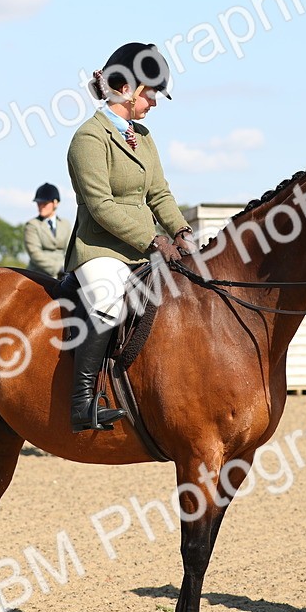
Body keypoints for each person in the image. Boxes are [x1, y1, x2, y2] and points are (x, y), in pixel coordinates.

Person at [64, 42, 196, 433]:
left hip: (142, 249)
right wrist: (154, 240)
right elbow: (101, 206)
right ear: (126, 89)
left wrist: (181, 231)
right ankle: (82, 402)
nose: (154, 102)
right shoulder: (89, 138)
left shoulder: (145, 137)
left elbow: (159, 194)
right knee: (108, 298)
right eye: (151, 93)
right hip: (101, 249)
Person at [24, 182, 70, 278]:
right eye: (39, 203)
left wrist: (69, 268)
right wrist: (58, 268)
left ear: (55, 203)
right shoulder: (32, 225)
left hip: (65, 272)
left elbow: (70, 250)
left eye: (44, 203)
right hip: (39, 274)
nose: (41, 206)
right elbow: (35, 253)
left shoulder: (66, 224)